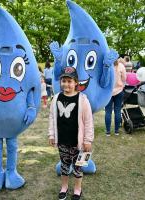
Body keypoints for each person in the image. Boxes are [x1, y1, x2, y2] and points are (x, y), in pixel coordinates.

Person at [48, 67, 94, 200]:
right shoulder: (56, 98)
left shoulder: (83, 99)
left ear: (76, 83)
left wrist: (88, 140)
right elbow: (52, 117)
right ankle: (64, 187)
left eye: (69, 81)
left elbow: (88, 121)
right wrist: (51, 135)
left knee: (79, 167)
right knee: (64, 165)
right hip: (63, 140)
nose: (66, 84)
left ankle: (77, 189)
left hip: (79, 143)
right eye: (64, 81)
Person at [105, 59, 127, 136]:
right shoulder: (121, 66)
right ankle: (116, 131)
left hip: (108, 92)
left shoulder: (107, 66)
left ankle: (108, 131)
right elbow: (124, 79)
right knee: (117, 111)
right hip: (119, 90)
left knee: (108, 112)